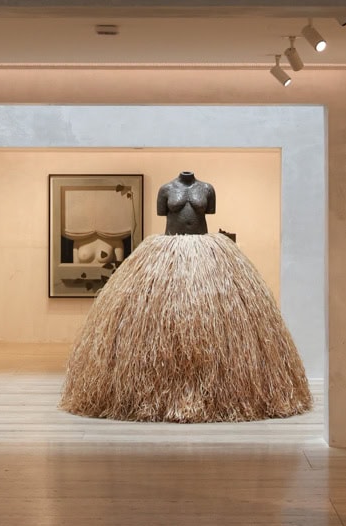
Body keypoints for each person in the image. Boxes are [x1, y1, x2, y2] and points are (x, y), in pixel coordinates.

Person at [60, 171, 311, 423]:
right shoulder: (166, 189)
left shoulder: (207, 188)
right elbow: (164, 214)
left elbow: (207, 212)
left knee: (214, 314)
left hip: (204, 248)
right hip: (169, 247)